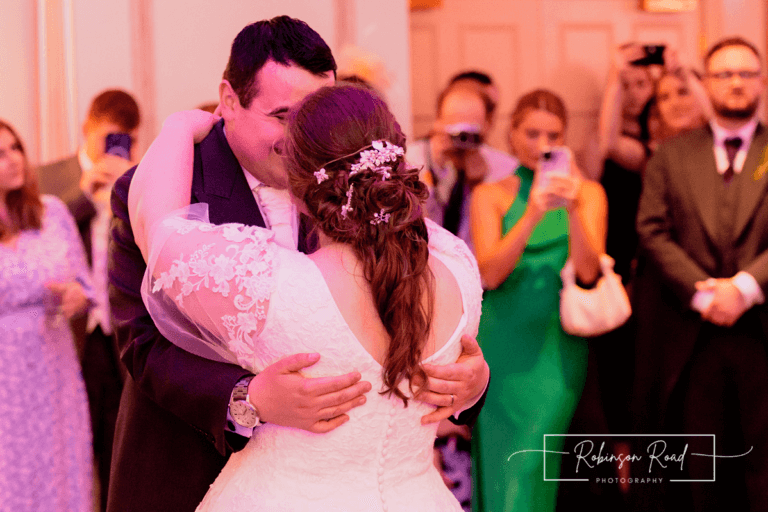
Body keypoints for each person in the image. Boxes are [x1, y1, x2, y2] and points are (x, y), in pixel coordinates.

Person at [108, 17, 489, 512]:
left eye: (317, 113)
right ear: (229, 100)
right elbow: (141, 341)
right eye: (283, 115)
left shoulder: (371, 197)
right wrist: (246, 398)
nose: (303, 136)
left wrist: (472, 381)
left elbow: (415, 317)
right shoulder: (159, 185)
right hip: (189, 465)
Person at [635, 37, 768, 511]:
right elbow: (651, 230)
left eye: (746, 73)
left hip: (762, 331)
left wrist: (747, 287)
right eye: (724, 73)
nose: (736, 82)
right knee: (701, 466)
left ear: (762, 81)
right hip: (692, 335)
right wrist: (703, 293)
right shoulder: (671, 156)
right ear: (707, 83)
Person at [469, 89, 607, 512]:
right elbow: (490, 274)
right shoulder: (489, 195)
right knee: (498, 466)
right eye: (532, 133)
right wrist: (531, 212)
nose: (542, 145)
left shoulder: (590, 194)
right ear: (511, 134)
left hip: (555, 346)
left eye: (554, 135)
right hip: (500, 346)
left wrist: (569, 210)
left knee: (533, 463)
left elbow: (588, 272)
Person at [38, 89, 139, 509]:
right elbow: (34, 237)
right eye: (108, 138)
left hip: (123, 333)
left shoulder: (139, 177)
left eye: (125, 139)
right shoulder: (49, 179)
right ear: (87, 131)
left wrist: (133, 184)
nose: (114, 149)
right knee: (68, 448)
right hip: (71, 334)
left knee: (120, 448)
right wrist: (83, 192)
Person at [0, 120, 94, 510]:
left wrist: (76, 296)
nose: (12, 160)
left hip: (54, 366)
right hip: (6, 376)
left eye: (15, 148)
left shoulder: (52, 212)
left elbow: (86, 286)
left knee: (59, 470)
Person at [408, 83, 517, 253]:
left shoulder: (503, 167)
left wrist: (482, 185)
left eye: (471, 133)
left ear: (487, 125)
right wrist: (436, 168)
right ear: (438, 121)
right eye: (456, 132)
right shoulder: (412, 162)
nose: (462, 141)